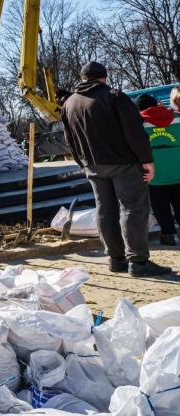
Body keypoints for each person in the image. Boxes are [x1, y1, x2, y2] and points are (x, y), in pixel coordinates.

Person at [61, 61, 170, 277]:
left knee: (105, 210)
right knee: (132, 208)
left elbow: (69, 139)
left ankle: (115, 259)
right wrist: (146, 159)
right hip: (123, 163)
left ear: (83, 78)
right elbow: (134, 131)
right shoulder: (115, 96)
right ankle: (138, 261)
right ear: (104, 76)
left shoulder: (69, 103)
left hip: (92, 166)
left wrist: (81, 163)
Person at [135, 94, 180, 246]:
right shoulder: (176, 117)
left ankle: (168, 236)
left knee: (161, 207)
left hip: (154, 174)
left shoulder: (137, 123)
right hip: (178, 169)